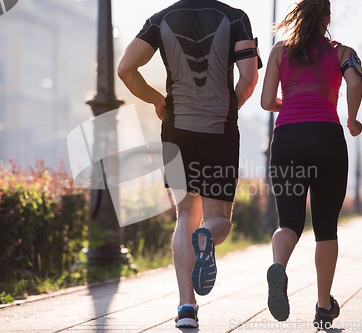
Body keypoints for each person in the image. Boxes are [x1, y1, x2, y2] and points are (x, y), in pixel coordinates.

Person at [117, 0, 259, 328]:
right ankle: (207, 236)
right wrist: (228, 108)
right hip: (218, 131)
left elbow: (126, 68)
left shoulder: (160, 19)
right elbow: (249, 77)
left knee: (185, 217)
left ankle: (186, 309)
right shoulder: (235, 18)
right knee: (217, 219)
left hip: (176, 130)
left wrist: (157, 100)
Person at [261, 0, 362, 329]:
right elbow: (356, 82)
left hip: (287, 138)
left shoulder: (280, 51)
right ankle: (323, 307)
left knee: (289, 222)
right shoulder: (342, 51)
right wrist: (351, 118)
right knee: (325, 228)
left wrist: (290, 104)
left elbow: (266, 102)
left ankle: (279, 266)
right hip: (327, 138)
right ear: (327, 18)